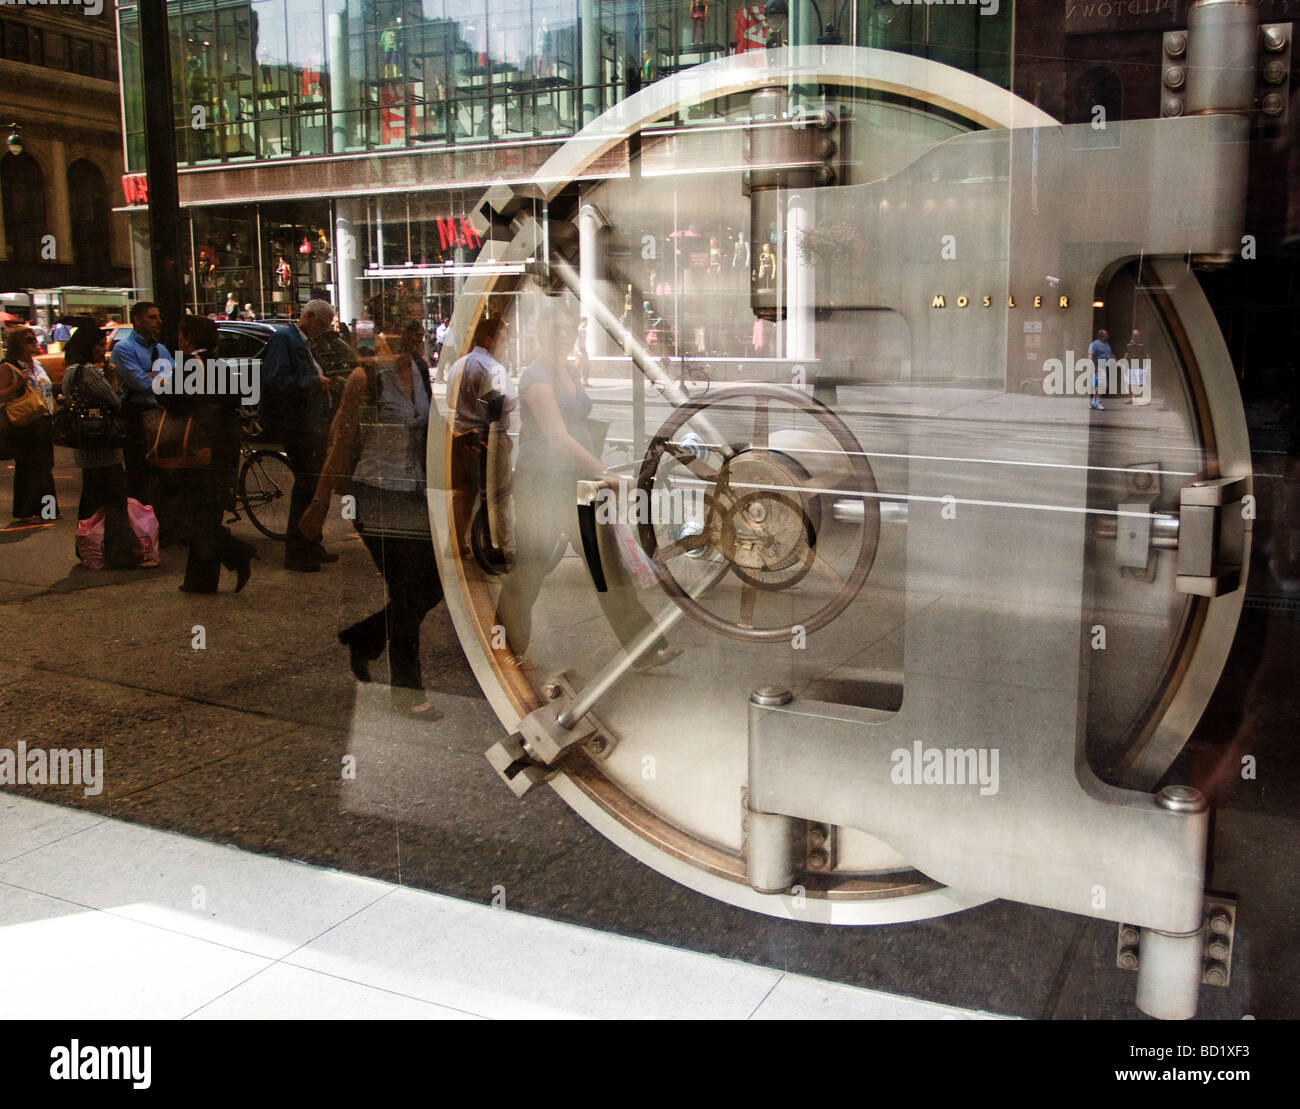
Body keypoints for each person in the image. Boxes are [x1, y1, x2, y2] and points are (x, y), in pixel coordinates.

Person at [493, 304, 679, 673]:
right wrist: (603, 469)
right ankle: (502, 647)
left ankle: (644, 649)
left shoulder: (569, 368)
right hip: (542, 486)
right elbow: (557, 437)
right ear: (541, 334)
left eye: (567, 330)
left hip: (574, 483)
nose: (562, 336)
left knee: (606, 563)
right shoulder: (536, 377)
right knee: (531, 567)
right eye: (554, 330)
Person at [299, 337, 442, 704]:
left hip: (414, 495)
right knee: (406, 590)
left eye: (415, 330)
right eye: (401, 329)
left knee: (432, 586)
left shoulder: (421, 372)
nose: (411, 337)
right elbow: (341, 442)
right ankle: (407, 693)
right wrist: (318, 504)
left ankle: (365, 636)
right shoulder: (365, 378)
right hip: (375, 493)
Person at [168, 315, 257, 593]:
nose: (178, 340)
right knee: (208, 512)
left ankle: (236, 553)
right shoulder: (221, 365)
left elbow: (172, 400)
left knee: (193, 515)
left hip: (197, 449)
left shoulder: (189, 365)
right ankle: (200, 579)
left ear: (189, 338)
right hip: (223, 449)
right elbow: (238, 398)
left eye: (181, 335)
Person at [262, 299, 338, 571]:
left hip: (310, 423)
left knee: (315, 485)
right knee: (307, 485)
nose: (325, 329)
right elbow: (277, 381)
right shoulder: (285, 339)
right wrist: (313, 382)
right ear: (313, 318)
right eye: (325, 324)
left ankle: (310, 543)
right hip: (296, 425)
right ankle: (296, 551)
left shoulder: (303, 341)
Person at [61, 325, 141, 568]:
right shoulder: (88, 373)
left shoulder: (70, 373)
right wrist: (113, 379)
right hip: (105, 447)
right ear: (87, 346)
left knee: (90, 501)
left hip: (86, 447)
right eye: (98, 345)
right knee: (115, 501)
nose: (102, 350)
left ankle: (89, 549)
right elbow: (115, 401)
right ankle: (120, 553)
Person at [445, 314, 515, 559]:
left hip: (460, 436)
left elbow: (449, 400)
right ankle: (499, 547)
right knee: (497, 494)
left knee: (465, 493)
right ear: (489, 339)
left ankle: (456, 542)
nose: (507, 345)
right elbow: (504, 404)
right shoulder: (492, 367)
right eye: (504, 339)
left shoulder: (458, 365)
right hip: (488, 438)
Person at [109, 301, 173, 505]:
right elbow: (140, 382)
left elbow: (177, 377)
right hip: (137, 415)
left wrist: (155, 376)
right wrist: (160, 377)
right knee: (139, 470)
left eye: (158, 317)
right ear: (137, 319)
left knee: (162, 468)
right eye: (152, 317)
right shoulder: (124, 349)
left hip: (161, 413)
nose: (158, 321)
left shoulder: (161, 348)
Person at [0, 325, 57, 525]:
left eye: (34, 339)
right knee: (28, 466)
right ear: (17, 344)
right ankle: (25, 510)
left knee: (45, 465)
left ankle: (48, 510)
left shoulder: (37, 364)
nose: (34, 343)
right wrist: (18, 384)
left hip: (43, 419)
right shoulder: (8, 367)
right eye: (28, 340)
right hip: (24, 423)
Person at [1088, 328, 1112, 411]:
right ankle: (1097, 401)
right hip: (1098, 367)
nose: (1108, 336)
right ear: (1101, 336)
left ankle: (1094, 401)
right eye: (1106, 335)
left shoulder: (1107, 345)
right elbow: (1090, 355)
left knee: (1099, 385)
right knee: (1101, 385)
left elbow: (1110, 354)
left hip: (1104, 367)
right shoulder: (1094, 344)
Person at [1124, 328, 1149, 405]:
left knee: (1141, 383)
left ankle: (1143, 398)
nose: (1137, 337)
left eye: (1138, 335)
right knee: (1133, 383)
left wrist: (1147, 365)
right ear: (1133, 336)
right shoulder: (1128, 345)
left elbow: (1147, 355)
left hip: (1140, 366)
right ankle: (1133, 398)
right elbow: (1126, 354)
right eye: (1135, 336)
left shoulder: (1143, 345)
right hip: (1131, 366)